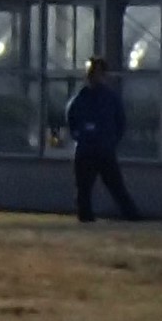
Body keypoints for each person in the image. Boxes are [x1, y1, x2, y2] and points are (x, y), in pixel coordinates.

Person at [63, 55, 142, 223]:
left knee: (116, 186)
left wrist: (111, 141)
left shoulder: (110, 99)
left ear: (103, 75)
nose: (93, 77)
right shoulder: (80, 99)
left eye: (97, 73)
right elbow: (71, 120)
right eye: (91, 73)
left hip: (104, 150)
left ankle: (132, 216)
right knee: (83, 188)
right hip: (85, 150)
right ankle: (85, 216)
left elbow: (120, 122)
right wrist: (79, 136)